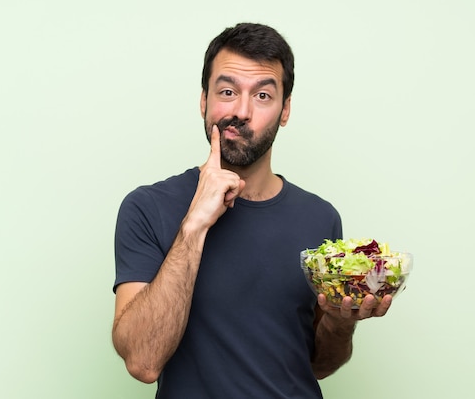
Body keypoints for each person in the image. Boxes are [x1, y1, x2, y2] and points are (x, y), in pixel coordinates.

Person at [112, 22, 392, 398]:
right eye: (227, 91)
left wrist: (341, 323)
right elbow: (143, 362)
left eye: (262, 96)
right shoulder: (147, 208)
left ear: (285, 110)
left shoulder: (320, 218)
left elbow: (318, 365)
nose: (241, 111)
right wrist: (195, 223)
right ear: (203, 102)